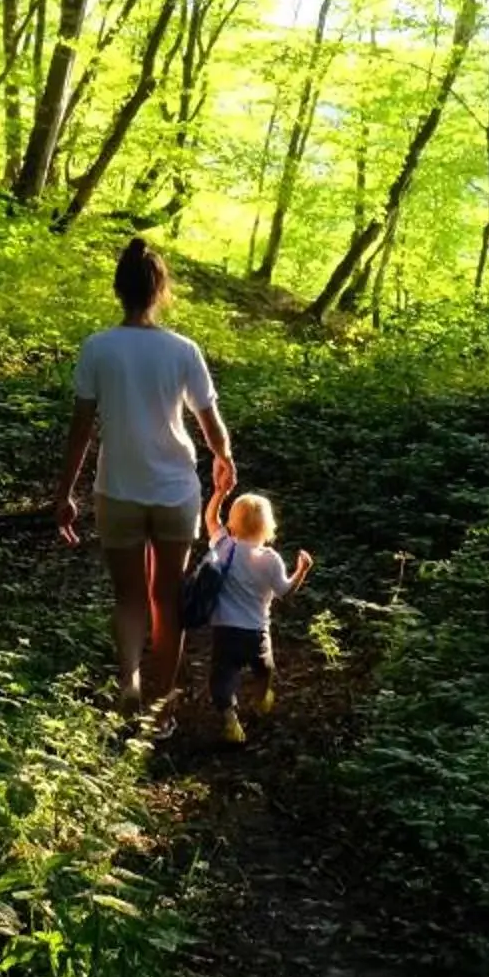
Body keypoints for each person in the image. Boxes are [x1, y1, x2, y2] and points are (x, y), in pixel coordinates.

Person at [53, 238, 233, 724]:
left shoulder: (98, 347)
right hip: (176, 492)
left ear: (119, 290)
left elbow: (81, 430)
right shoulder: (183, 350)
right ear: (160, 291)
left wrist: (65, 492)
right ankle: (159, 704)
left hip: (118, 491)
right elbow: (210, 423)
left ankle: (128, 679)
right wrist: (224, 459)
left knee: (130, 597)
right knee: (166, 598)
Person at [199, 474, 310, 745]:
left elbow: (210, 520)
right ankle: (261, 699)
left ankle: (230, 720)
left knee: (222, 676)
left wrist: (219, 493)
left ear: (233, 523)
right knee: (264, 668)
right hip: (257, 632)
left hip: (225, 630)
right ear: (268, 526)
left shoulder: (225, 547)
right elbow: (285, 591)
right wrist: (302, 570)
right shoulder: (270, 559)